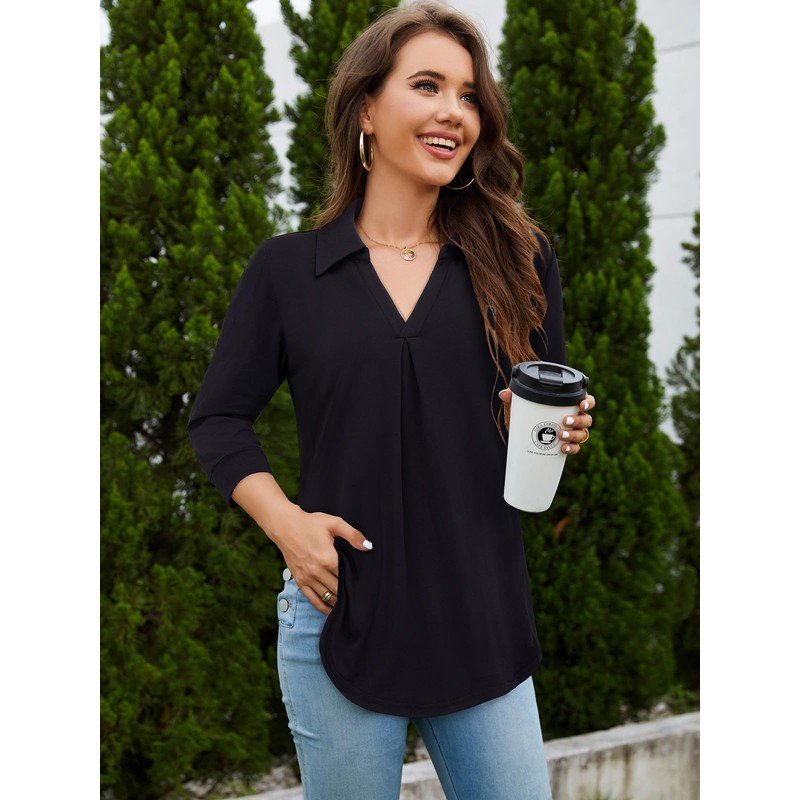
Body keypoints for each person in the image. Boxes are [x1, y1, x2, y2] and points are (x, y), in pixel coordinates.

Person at [188, 3, 595, 798]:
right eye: (428, 86)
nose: (455, 111)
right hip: (339, 612)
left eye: (469, 95)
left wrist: (549, 431)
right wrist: (287, 524)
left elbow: (537, 410)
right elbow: (218, 419)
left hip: (478, 613)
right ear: (367, 109)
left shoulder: (519, 258)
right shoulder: (288, 272)